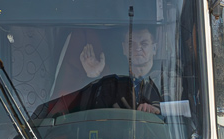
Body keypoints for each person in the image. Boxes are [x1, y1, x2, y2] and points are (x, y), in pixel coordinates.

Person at [36, 26, 164, 117]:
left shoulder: (166, 79)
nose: (138, 49)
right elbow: (87, 115)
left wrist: (158, 110)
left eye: (144, 43)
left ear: (154, 48)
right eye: (131, 44)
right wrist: (92, 76)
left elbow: (179, 112)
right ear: (124, 49)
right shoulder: (112, 83)